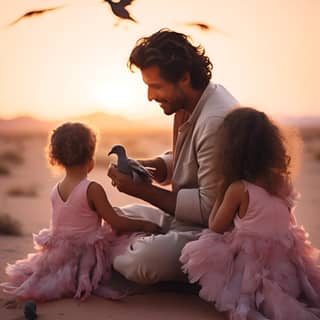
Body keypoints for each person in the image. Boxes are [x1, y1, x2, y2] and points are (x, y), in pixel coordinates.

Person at [107, 28, 238, 284]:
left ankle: (126, 254)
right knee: (112, 216)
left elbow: (209, 210)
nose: (150, 96)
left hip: (213, 234)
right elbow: (185, 161)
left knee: (143, 260)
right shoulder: (188, 104)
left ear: (184, 78)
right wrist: (147, 167)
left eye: (156, 86)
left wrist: (140, 190)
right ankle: (131, 246)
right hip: (183, 220)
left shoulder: (216, 121)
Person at [180, 107, 320, 319]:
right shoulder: (280, 182)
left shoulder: (238, 188)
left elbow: (215, 226)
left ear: (229, 151)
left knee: (207, 244)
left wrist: (221, 189)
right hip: (287, 271)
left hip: (252, 274)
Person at [1, 122, 160, 302]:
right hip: (86, 256)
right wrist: (144, 224)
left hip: (58, 256)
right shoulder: (92, 189)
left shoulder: (56, 189)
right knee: (125, 244)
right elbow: (116, 221)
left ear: (57, 159)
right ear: (90, 160)